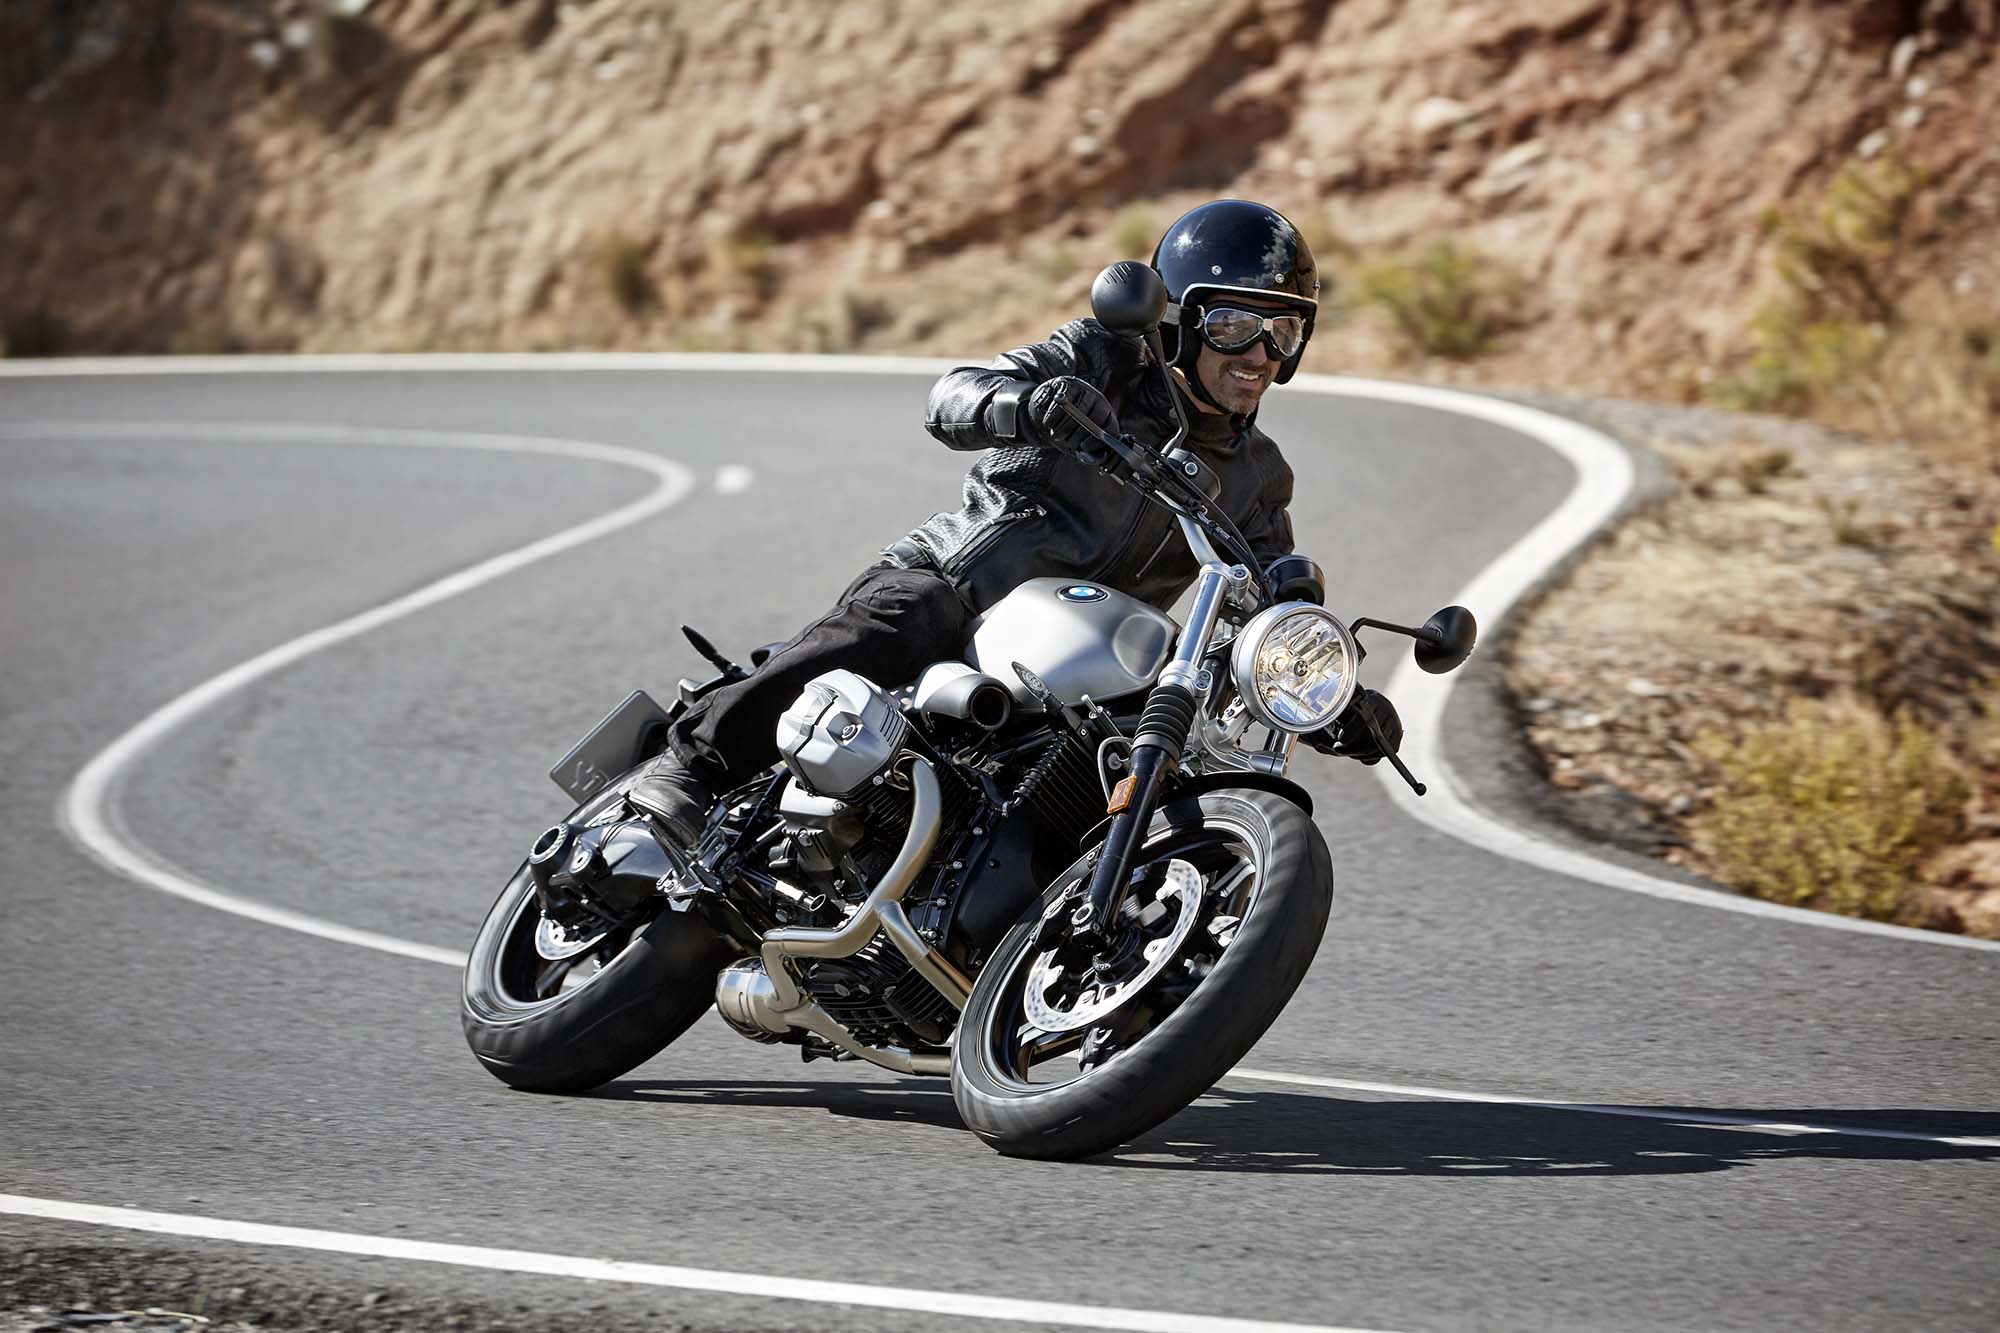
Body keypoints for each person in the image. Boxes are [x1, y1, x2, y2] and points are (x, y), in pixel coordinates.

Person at [630, 198, 1399, 841]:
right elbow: (953, 395)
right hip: (964, 592)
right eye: (1233, 325)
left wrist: (1328, 697)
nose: (1260, 353)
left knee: (1139, 758)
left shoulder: (1259, 475)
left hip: (1081, 677)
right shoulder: (1100, 357)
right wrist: (1026, 405)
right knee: (906, 615)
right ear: (1179, 319)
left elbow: (1269, 606)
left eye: (1282, 331)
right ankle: (690, 764)